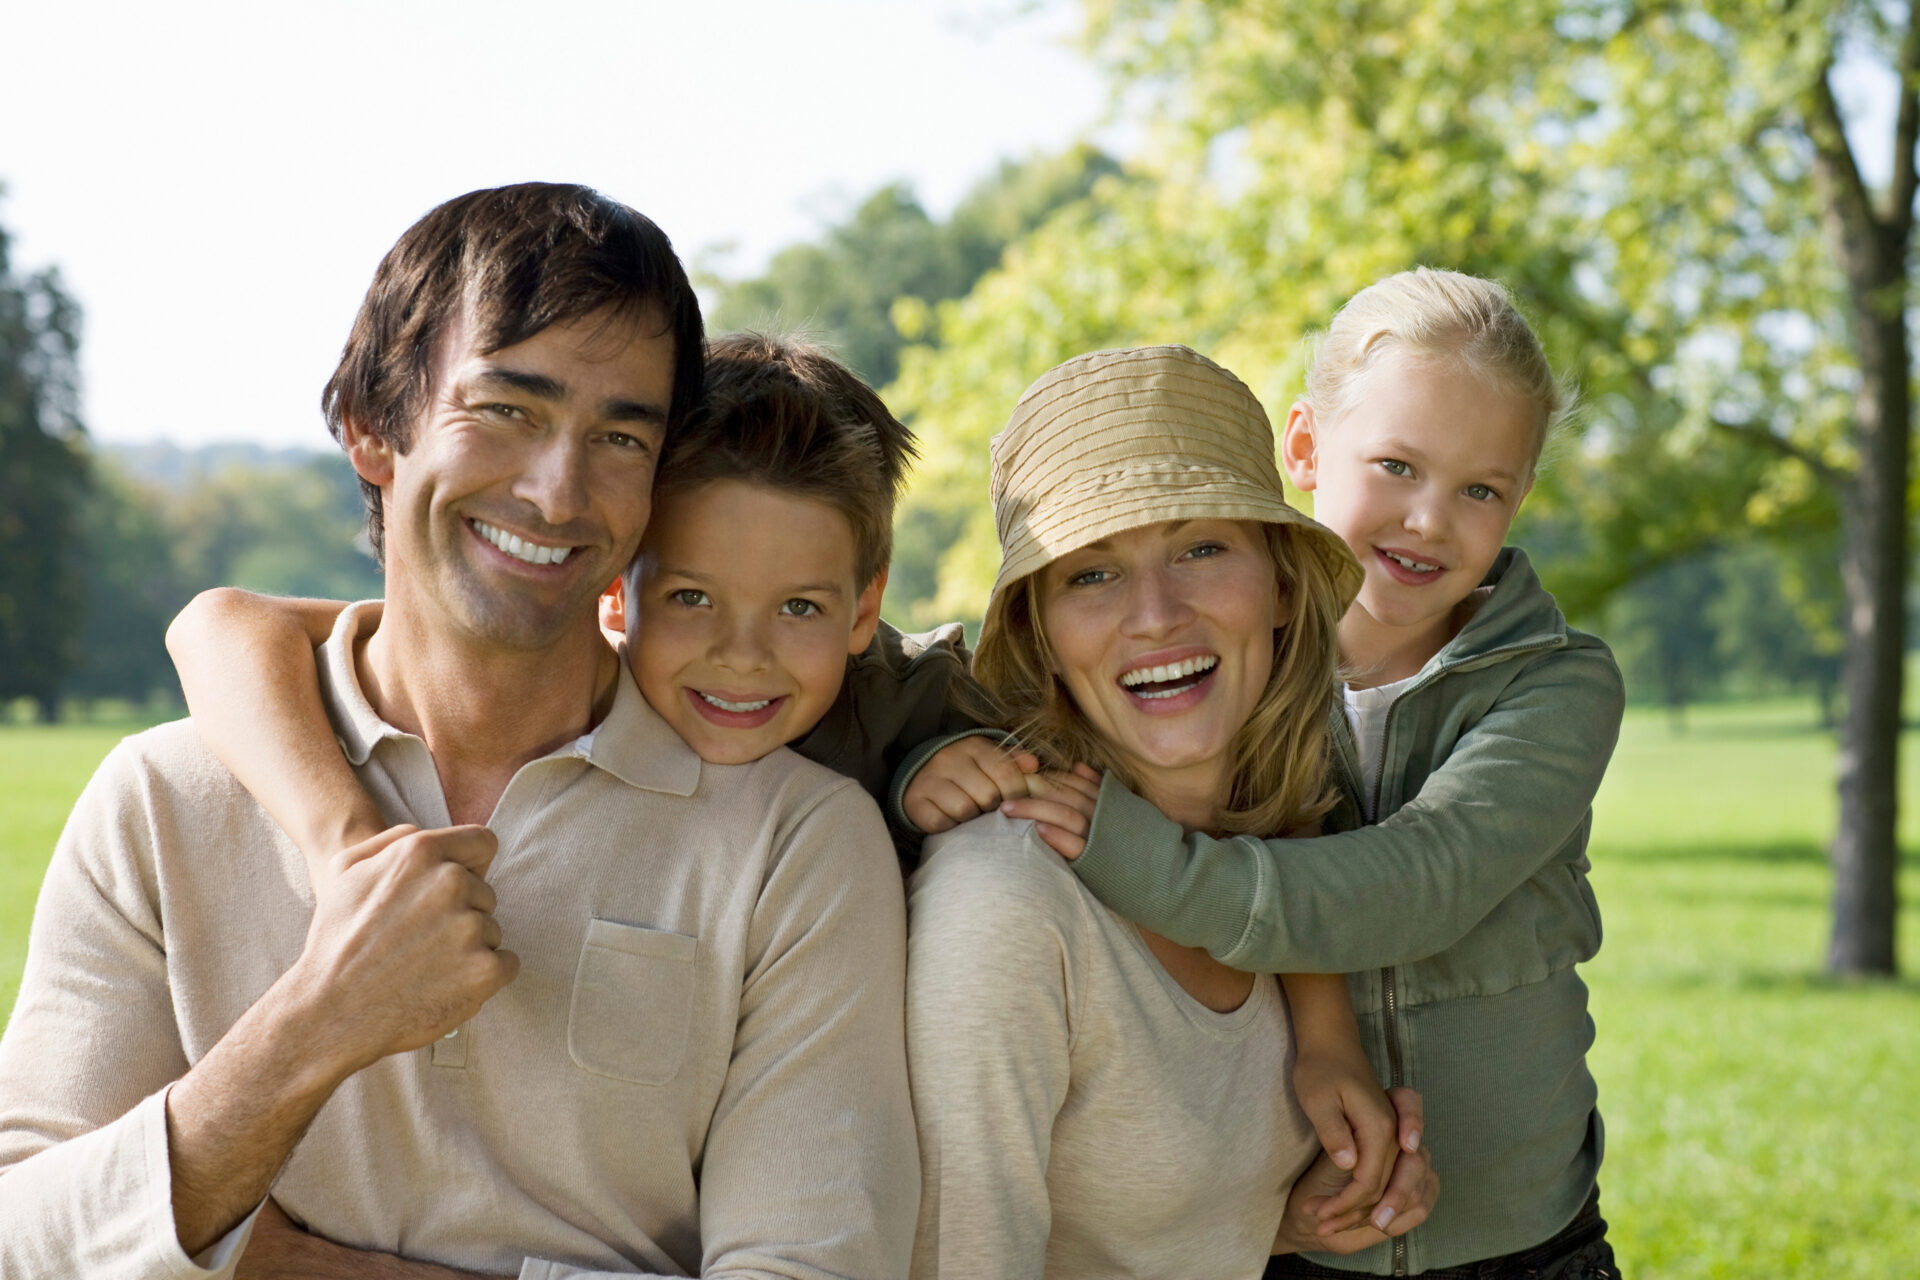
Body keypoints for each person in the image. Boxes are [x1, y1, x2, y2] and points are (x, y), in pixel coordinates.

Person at [0, 185, 918, 1280]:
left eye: (620, 434)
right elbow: (23, 1239)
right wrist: (312, 1022)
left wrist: (285, 1262)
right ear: (371, 426)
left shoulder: (795, 844)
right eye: (508, 410)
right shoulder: (162, 796)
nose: (557, 490)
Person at [910, 271, 1625, 1278]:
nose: (1428, 519)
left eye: (1481, 489)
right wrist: (920, 752)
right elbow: (896, 669)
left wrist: (1310, 1012)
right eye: (1396, 466)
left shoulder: (1541, 683)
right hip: (1312, 1250)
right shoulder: (1228, 686)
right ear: (1306, 448)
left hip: (1519, 1235)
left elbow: (1414, 875)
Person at [904, 344, 1439, 1280]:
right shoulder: (1006, 907)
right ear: (1041, 630)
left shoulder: (1277, 858)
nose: (1154, 615)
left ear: (1278, 585)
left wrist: (1293, 1218)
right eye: (1091, 574)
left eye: (1200, 548)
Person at [168, 331, 983, 875]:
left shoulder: (908, 695)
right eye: (691, 597)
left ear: (863, 610)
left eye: (799, 608)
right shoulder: (565, 676)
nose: (744, 654)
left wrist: (926, 771)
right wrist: (346, 844)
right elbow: (220, 625)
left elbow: (1064, 733)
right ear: (612, 589)